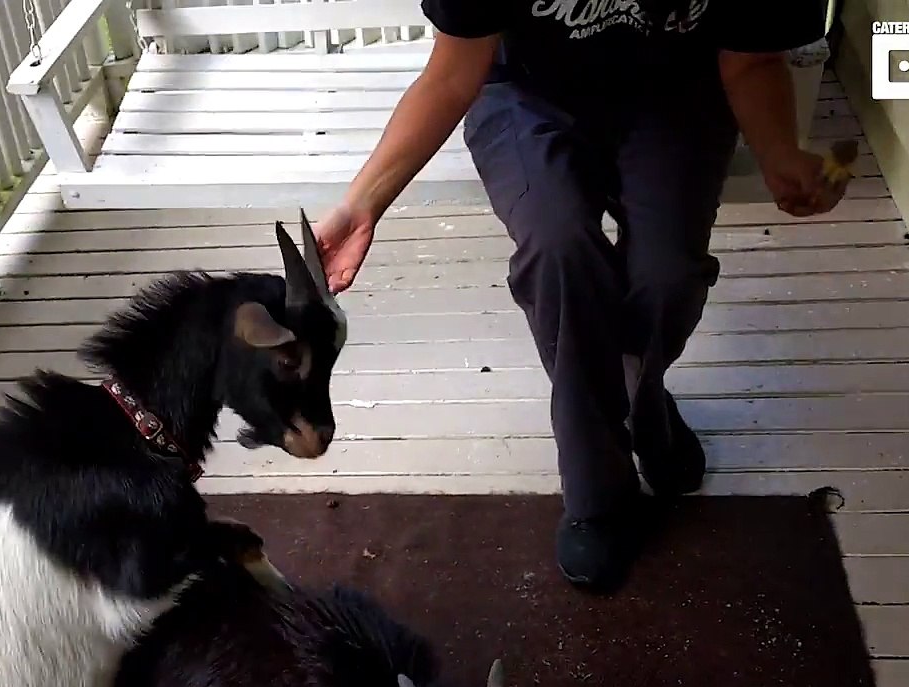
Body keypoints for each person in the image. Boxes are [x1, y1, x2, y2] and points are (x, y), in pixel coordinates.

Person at [311, 0, 847, 594]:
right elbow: (453, 72)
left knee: (669, 276)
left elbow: (751, 60)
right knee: (559, 252)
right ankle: (598, 493)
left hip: (675, 98)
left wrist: (778, 153)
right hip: (524, 96)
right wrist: (363, 203)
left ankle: (644, 404)